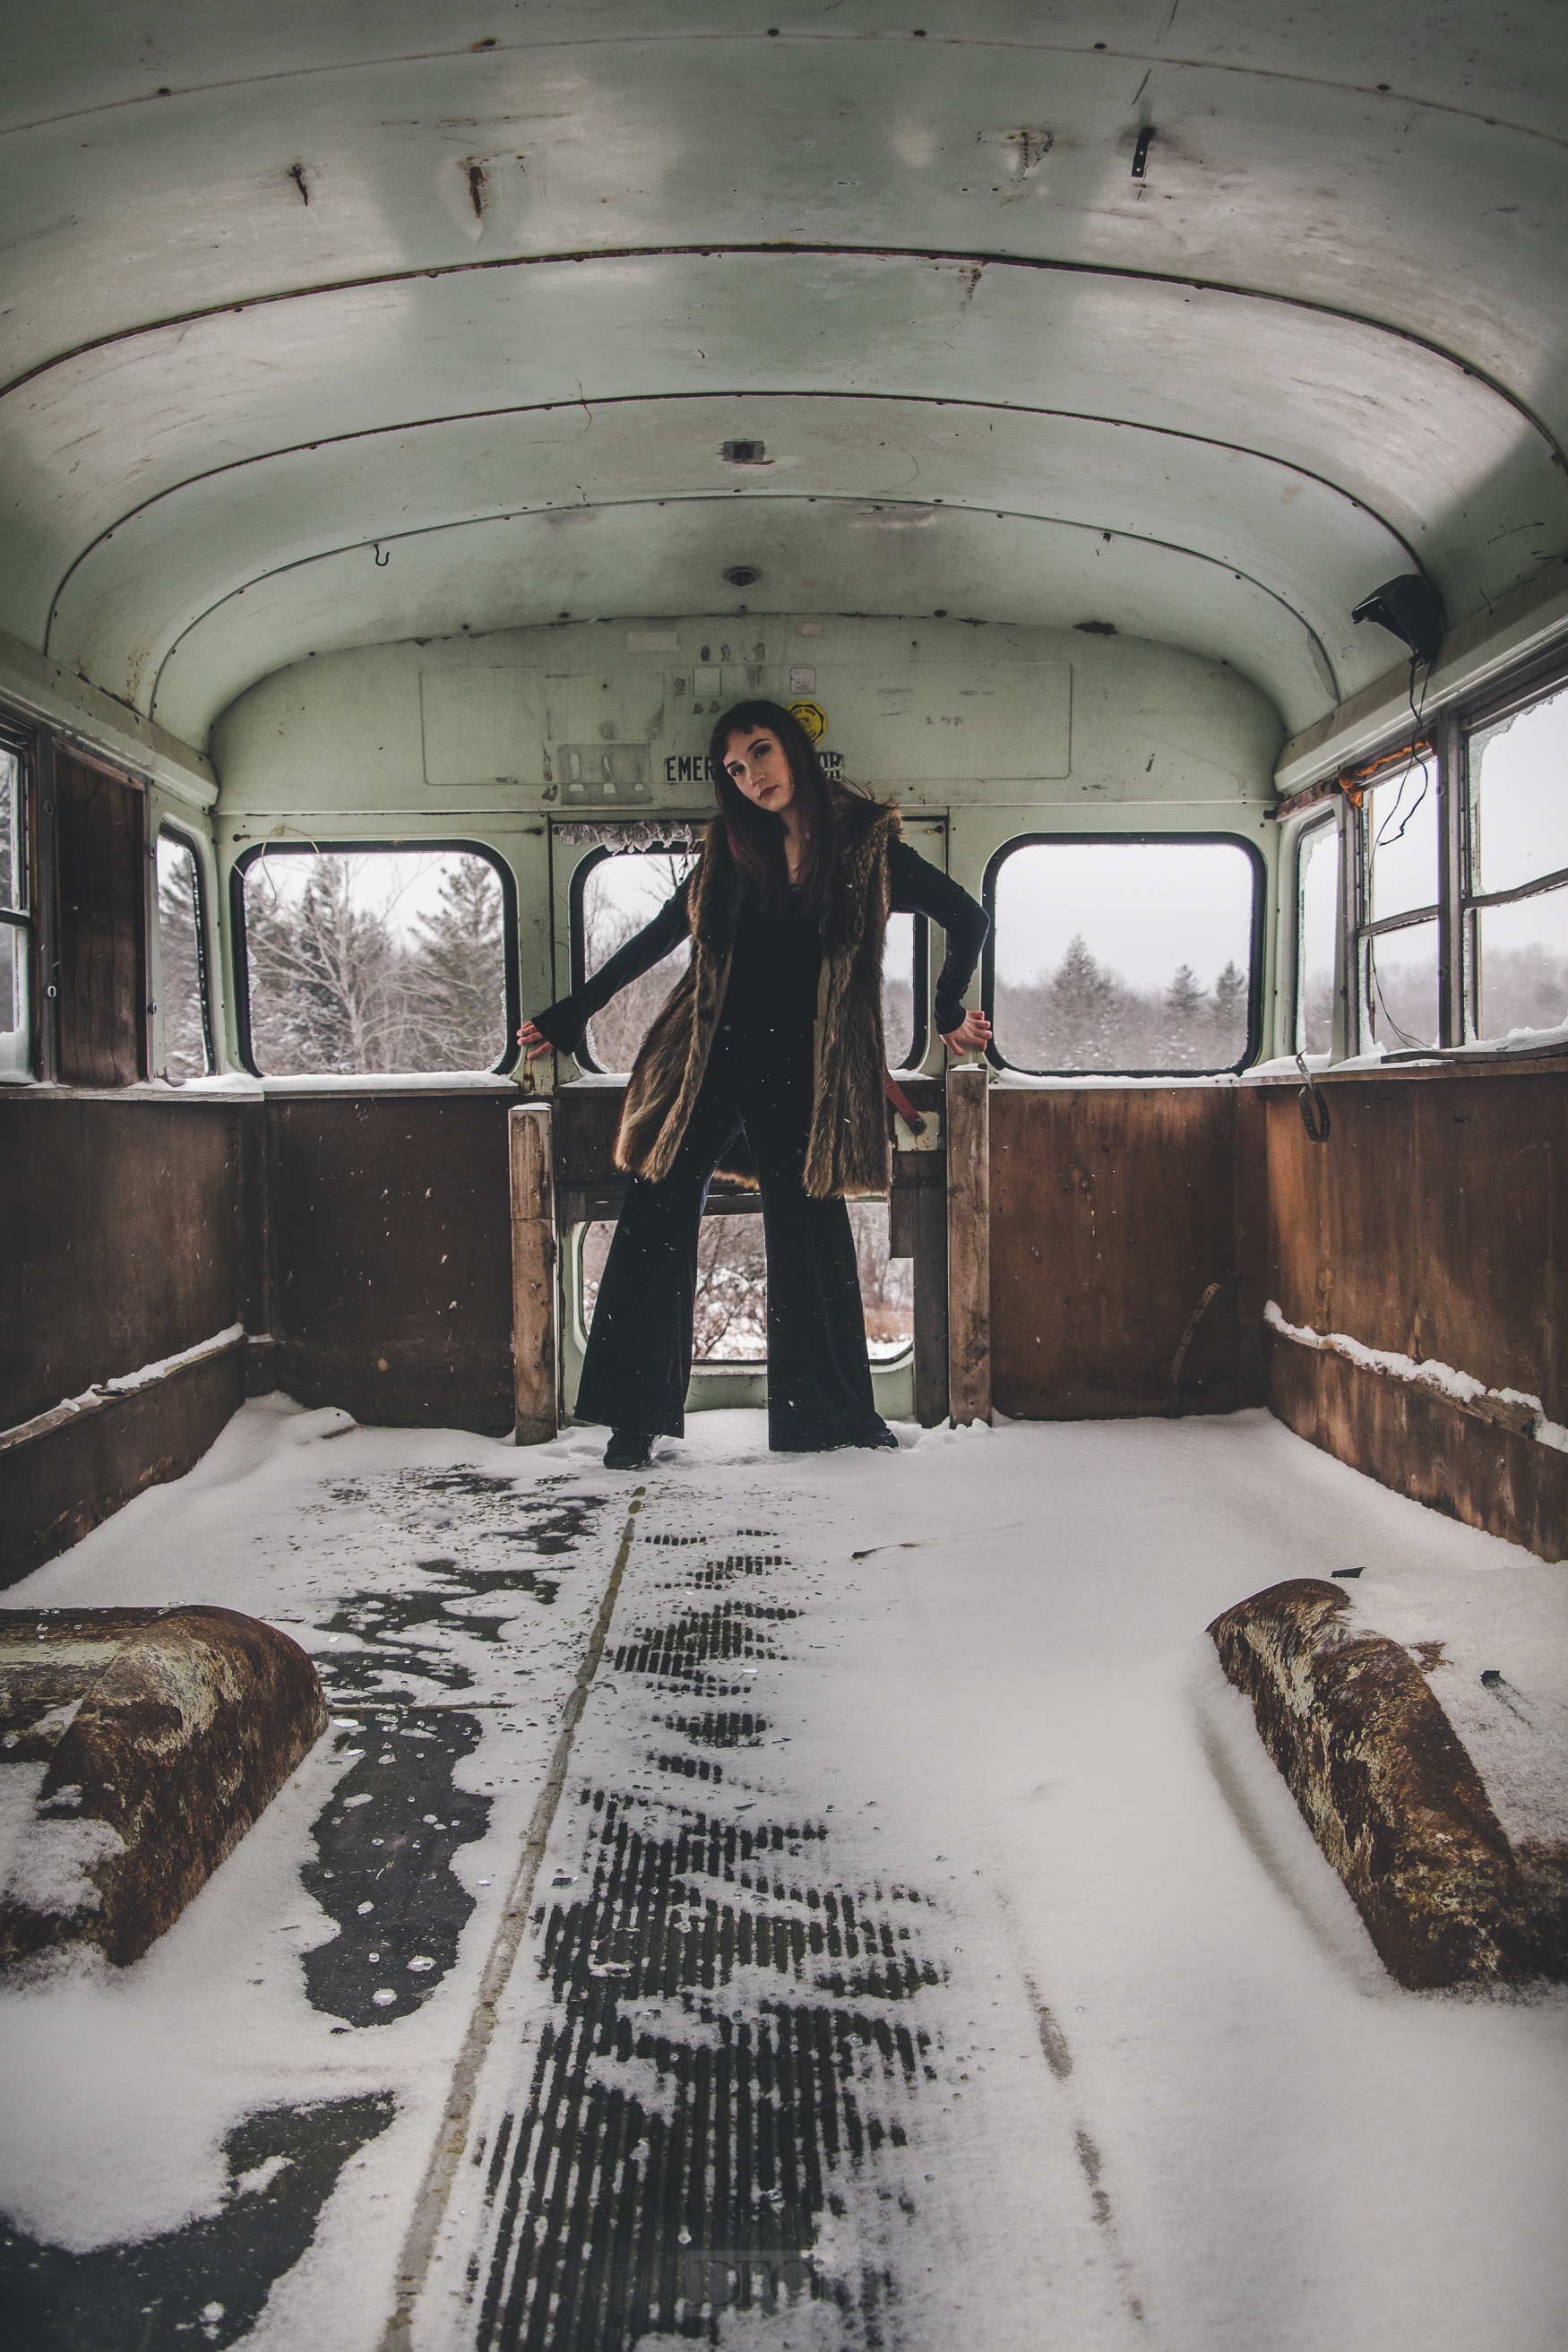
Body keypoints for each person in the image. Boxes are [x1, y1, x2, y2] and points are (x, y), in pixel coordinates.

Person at [518, 700, 992, 1469]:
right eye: (735, 768)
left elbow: (968, 917)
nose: (751, 776)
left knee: (808, 1233)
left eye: (761, 752)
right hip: (711, 1057)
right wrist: (574, 1013)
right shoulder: (733, 847)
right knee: (656, 1209)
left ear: (795, 749)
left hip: (802, 1070)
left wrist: (945, 1010)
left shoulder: (866, 847)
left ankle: (828, 1418)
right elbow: (662, 933)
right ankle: (634, 1420)